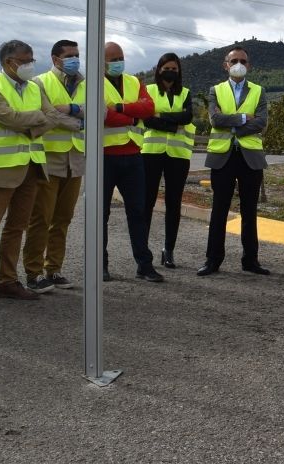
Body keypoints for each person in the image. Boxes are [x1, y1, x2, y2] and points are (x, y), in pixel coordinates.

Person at [0, 40, 77, 308]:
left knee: (17, 227)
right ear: (9, 62)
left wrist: (29, 121)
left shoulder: (34, 87)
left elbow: (50, 117)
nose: (30, 64)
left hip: (32, 167)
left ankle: (8, 281)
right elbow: (11, 119)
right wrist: (35, 119)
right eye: (25, 60)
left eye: (31, 59)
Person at [197, 46, 270, 277]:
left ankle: (251, 260)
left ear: (249, 66)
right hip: (223, 157)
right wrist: (242, 118)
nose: (238, 64)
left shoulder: (259, 91)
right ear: (225, 65)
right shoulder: (215, 90)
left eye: (243, 61)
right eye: (234, 60)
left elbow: (261, 123)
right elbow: (215, 120)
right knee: (219, 210)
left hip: (250, 157)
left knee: (250, 211)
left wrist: (233, 124)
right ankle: (212, 260)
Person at [23, 40, 86, 293]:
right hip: (50, 158)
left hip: (76, 159)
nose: (75, 59)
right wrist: (81, 120)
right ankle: (33, 272)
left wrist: (72, 109)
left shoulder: (87, 83)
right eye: (70, 55)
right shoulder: (39, 83)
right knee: (41, 217)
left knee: (63, 218)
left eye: (77, 55)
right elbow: (49, 115)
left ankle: (54, 268)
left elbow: (101, 113)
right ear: (55, 59)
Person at [100, 42, 163, 283]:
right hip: (104, 156)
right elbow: (103, 115)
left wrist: (120, 108)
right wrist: (132, 114)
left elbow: (149, 108)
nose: (118, 62)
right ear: (101, 60)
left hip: (134, 155)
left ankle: (144, 265)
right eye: (112, 58)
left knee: (138, 212)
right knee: (101, 214)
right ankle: (100, 264)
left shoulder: (135, 82)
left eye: (121, 57)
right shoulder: (93, 83)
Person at [142, 53, 195, 269]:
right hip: (151, 153)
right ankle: (143, 250)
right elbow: (146, 119)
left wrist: (161, 116)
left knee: (174, 204)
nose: (171, 71)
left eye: (175, 68)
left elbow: (188, 117)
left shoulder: (186, 93)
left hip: (178, 156)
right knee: (147, 202)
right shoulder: (148, 90)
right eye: (167, 67)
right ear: (159, 68)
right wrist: (173, 124)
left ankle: (168, 250)